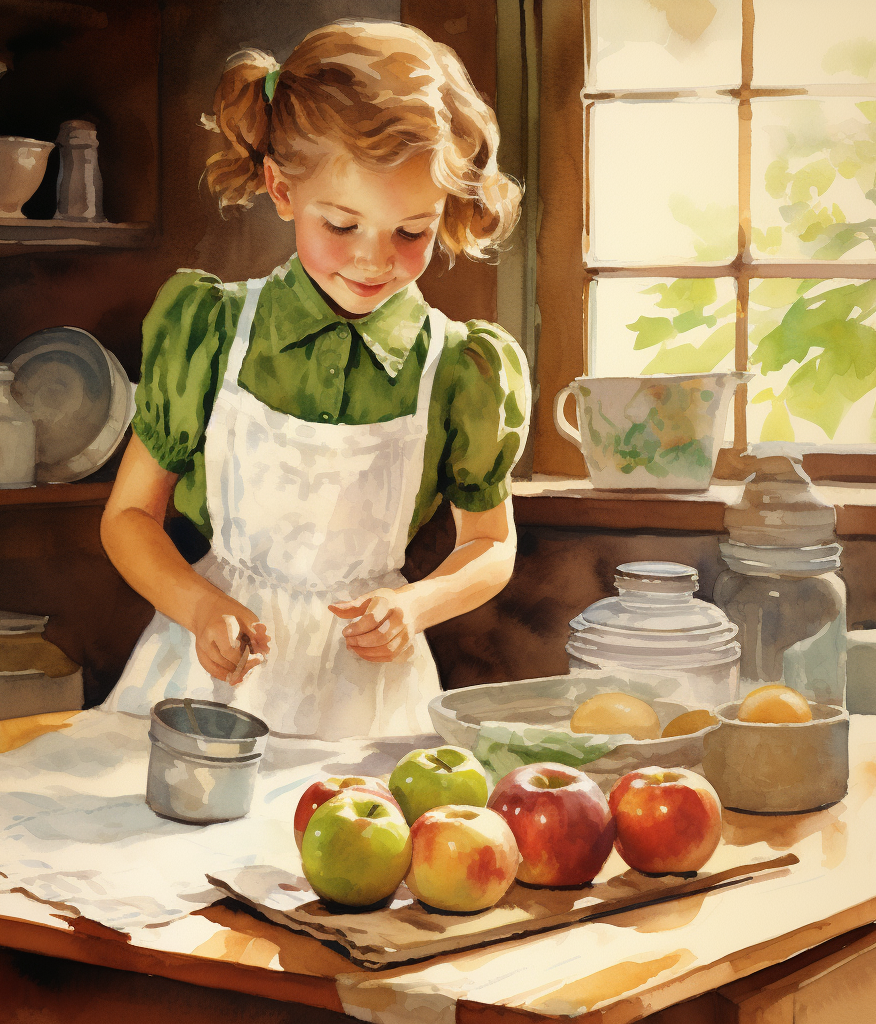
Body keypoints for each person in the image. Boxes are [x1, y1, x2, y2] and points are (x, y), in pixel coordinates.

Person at [100, 19, 529, 740]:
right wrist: (202, 607)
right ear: (281, 188)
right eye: (342, 224)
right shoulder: (212, 330)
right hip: (208, 669)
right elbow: (128, 518)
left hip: (365, 689)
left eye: (411, 232)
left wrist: (416, 606)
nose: (373, 260)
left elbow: (491, 544)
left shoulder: (458, 367)